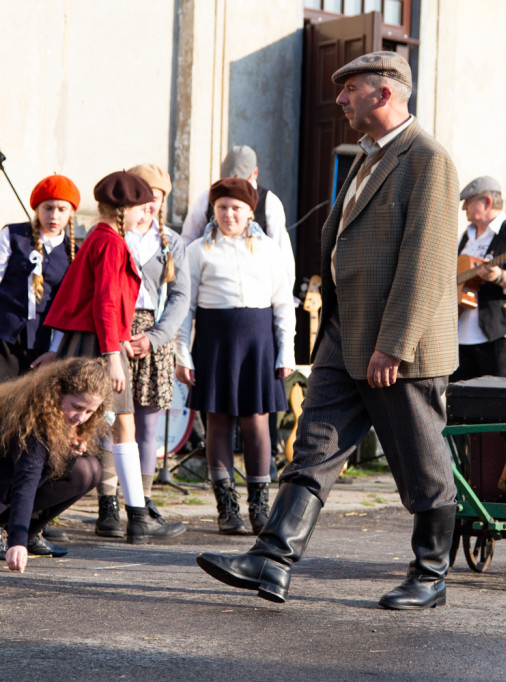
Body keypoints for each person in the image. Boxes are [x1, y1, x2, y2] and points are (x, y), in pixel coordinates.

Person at [196, 51, 461, 610]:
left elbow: (426, 263)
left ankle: (431, 574)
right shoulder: (367, 158)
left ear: (384, 94)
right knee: (314, 447)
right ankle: (272, 560)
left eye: (351, 90)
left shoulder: (428, 160)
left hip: (397, 344)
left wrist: (394, 342)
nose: (339, 100)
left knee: (420, 460)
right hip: (345, 333)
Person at [175, 177, 296, 535]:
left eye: (236, 208)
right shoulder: (197, 251)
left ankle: (260, 507)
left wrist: (285, 351)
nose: (229, 214)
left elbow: (282, 305)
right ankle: (227, 508)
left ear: (249, 212)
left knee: (257, 422)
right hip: (214, 343)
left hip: (258, 344)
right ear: (213, 210)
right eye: (222, 207)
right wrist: (183, 354)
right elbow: (185, 308)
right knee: (218, 423)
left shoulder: (269, 250)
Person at [44, 171, 151, 537]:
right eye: (142, 208)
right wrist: (113, 354)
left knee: (120, 425)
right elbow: (105, 302)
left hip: (99, 343)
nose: (146, 216)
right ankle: (35, 515)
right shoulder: (108, 242)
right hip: (99, 345)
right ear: (123, 210)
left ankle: (137, 516)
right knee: (73, 429)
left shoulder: (104, 239)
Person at [0, 358, 109, 572]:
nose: (81, 417)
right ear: (58, 391)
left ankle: (27, 532)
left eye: (90, 412)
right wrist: (18, 541)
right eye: (77, 407)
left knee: (88, 470)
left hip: (2, 472)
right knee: (71, 468)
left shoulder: (60, 414)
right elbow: (26, 480)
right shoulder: (33, 419)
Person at [0, 174, 80, 411]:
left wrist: (54, 351)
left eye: (62, 209)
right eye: (48, 208)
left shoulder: (73, 253)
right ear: (37, 209)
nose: (54, 215)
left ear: (71, 212)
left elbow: (68, 308)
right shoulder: (13, 236)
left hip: (38, 347)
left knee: (24, 414)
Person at [115, 163, 189, 541]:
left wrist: (156, 337)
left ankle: (140, 505)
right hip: (116, 332)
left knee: (146, 423)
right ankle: (108, 505)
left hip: (153, 337)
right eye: (144, 195)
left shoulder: (171, 242)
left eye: (158, 197)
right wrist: (118, 336)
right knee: (110, 418)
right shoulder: (115, 235)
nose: (151, 203)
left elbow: (180, 297)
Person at [451, 175, 506, 380]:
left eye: (468, 202)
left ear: (487, 202)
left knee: (499, 404)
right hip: (460, 339)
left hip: (499, 338)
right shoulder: (465, 236)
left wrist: (500, 277)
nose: (464, 208)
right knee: (460, 404)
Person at [180, 146, 293, 271]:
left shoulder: (270, 202)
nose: (229, 213)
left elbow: (282, 253)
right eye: (228, 181)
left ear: (255, 173)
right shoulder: (206, 197)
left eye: (236, 208)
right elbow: (188, 239)